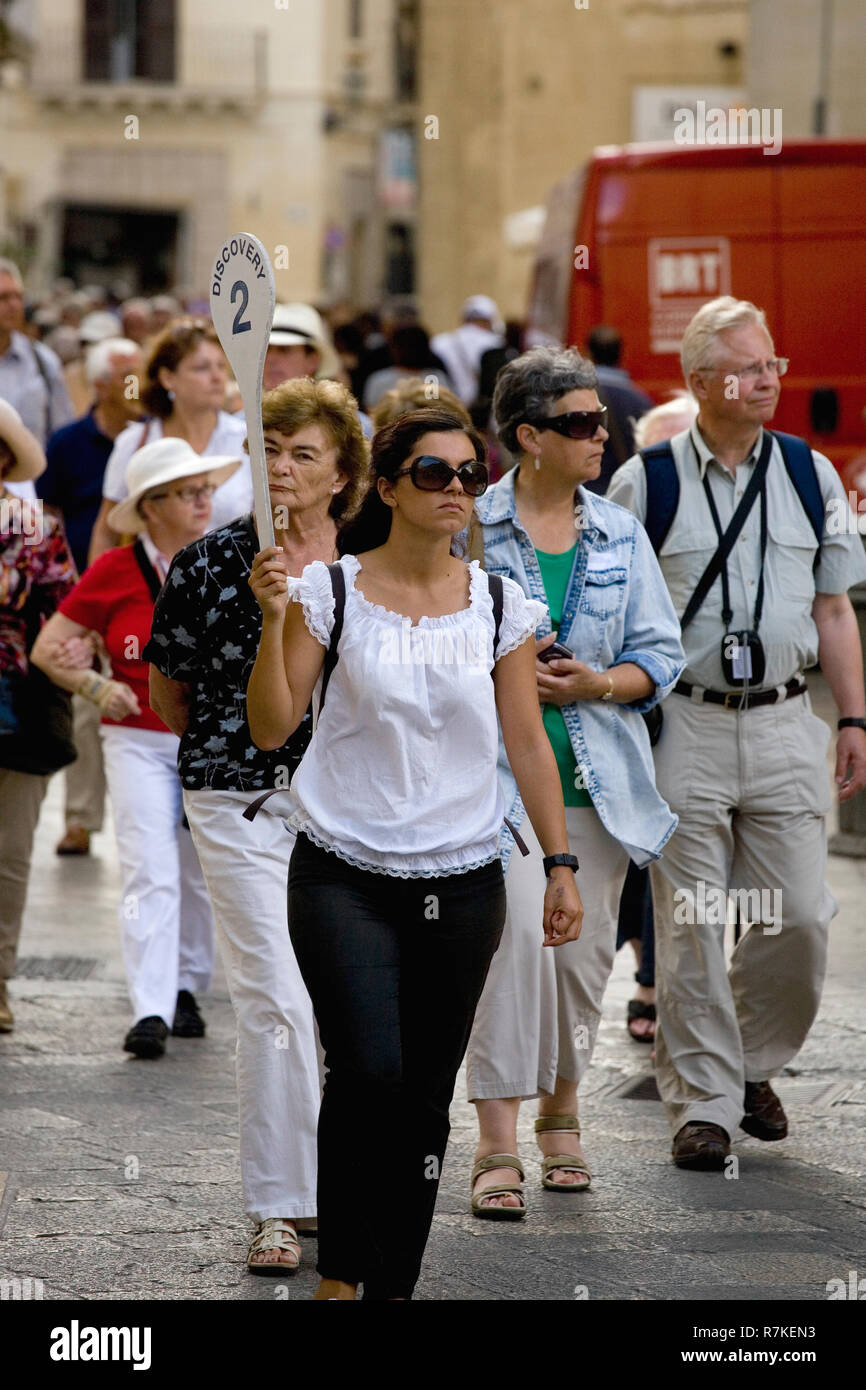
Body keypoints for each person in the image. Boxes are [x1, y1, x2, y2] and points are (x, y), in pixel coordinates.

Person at [246, 407, 583, 1300]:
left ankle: (392, 1280)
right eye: (434, 474)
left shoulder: (502, 604)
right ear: (388, 487)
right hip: (341, 870)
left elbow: (528, 743)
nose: (458, 491)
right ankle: (342, 1274)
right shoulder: (334, 592)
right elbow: (273, 724)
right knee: (368, 1069)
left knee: (428, 1094)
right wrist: (273, 620)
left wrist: (559, 862)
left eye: (471, 474)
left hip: (466, 878)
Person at [607, 296, 866, 1169]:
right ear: (700, 382)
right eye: (749, 368)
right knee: (691, 919)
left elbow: (835, 607)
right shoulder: (647, 482)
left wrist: (854, 716)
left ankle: (752, 1063)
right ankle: (704, 1103)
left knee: (799, 915)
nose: (768, 381)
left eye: (773, 365)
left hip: (789, 719)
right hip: (686, 722)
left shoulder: (810, 474)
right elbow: (611, 616)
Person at [146, 378, 370, 1275]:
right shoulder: (208, 562)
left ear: (344, 472)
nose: (281, 467)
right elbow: (171, 691)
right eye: (269, 450)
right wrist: (230, 754)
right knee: (277, 998)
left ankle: (339, 1180)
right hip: (238, 801)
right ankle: (283, 1206)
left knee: (344, 1005)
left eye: (303, 453)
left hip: (358, 810)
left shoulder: (379, 561)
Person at [463, 347, 684, 1216]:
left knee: (581, 965)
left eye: (603, 420)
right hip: (491, 785)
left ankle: (563, 1109)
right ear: (528, 436)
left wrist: (594, 682)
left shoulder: (619, 531)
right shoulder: (469, 523)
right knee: (512, 952)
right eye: (581, 424)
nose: (604, 435)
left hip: (601, 785)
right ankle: (496, 1138)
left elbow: (659, 657)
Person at [31, 438, 241, 1058]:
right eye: (187, 492)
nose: (204, 499)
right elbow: (48, 648)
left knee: (198, 870)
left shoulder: (228, 560)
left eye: (205, 488)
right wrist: (96, 686)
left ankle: (185, 985)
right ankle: (150, 1004)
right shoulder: (114, 571)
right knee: (150, 868)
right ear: (151, 507)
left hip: (210, 741)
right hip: (136, 740)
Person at [37, 337, 145, 857]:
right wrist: (68, 580)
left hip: (137, 587)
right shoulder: (68, 443)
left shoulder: (148, 439)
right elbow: (50, 512)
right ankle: (80, 818)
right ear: (102, 387)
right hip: (82, 585)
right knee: (88, 700)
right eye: (128, 377)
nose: (137, 387)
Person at [615, 391, 699, 1043]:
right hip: (637, 702)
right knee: (644, 842)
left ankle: (669, 978)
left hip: (707, 705)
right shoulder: (629, 509)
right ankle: (648, 972)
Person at [0, 403, 77, 1033]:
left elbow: (63, 618)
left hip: (20, 707)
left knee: (9, 854)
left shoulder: (34, 528)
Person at [88, 319, 252, 560]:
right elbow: (107, 532)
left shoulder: (249, 440)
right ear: (168, 378)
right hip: (156, 589)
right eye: (202, 368)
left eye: (221, 366)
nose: (217, 377)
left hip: (236, 587)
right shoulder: (134, 442)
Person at [0, 259, 75, 495]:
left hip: (29, 492)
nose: (13, 306)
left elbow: (61, 433)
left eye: (18, 297)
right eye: (3, 298)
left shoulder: (43, 361)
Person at [583, 325, 653, 496]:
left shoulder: (575, 399)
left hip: (585, 495)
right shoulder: (641, 401)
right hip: (625, 495)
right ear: (622, 354)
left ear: (588, 354)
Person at [431, 295, 504, 406]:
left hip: (448, 408)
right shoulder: (496, 343)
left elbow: (432, 378)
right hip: (483, 411)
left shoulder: (439, 342)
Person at [362, 326, 455, 410]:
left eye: (414, 347)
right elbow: (372, 412)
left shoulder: (434, 377)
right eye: (404, 347)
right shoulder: (379, 380)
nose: (409, 351)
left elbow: (442, 410)